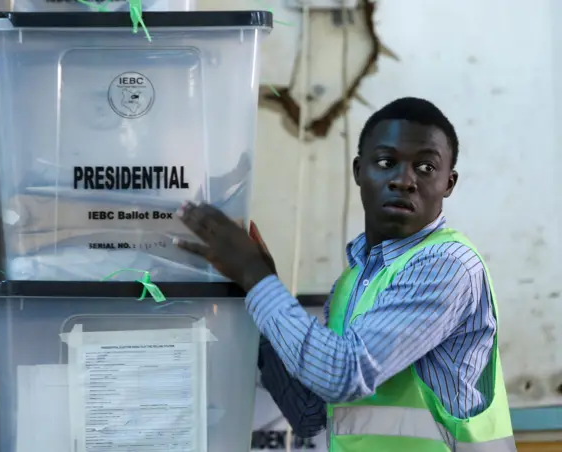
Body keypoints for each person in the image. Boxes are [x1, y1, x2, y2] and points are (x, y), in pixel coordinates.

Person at [174, 97, 516, 451]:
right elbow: (310, 414)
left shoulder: (447, 264)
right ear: (358, 170)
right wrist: (258, 302)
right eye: (386, 162)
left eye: (426, 167)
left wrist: (256, 276)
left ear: (449, 183)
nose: (404, 180)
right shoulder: (352, 282)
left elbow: (344, 373)